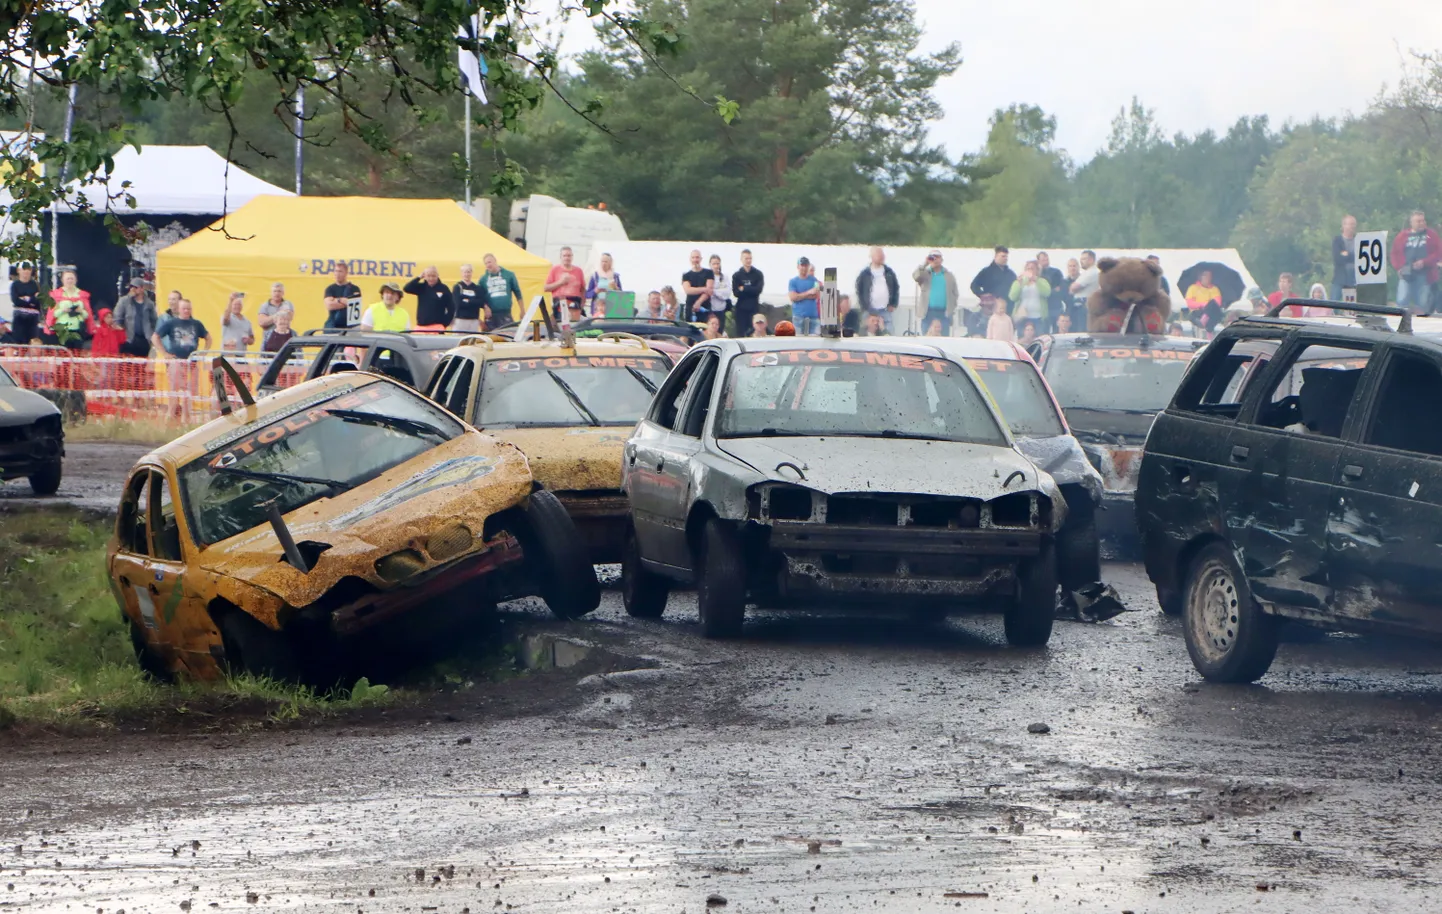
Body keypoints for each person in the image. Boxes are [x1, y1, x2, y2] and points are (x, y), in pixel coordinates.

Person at [1390, 210, 1442, 315]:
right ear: (1412, 223)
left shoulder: (1431, 235)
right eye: (1418, 221)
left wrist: (1424, 262)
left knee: (1422, 303)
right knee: (1402, 300)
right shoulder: (1402, 236)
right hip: (1406, 273)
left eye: (1423, 220)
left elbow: (1438, 253)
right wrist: (1398, 267)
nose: (1422, 223)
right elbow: (1394, 253)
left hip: (1425, 274)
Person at [43, 270, 94, 349]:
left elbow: (87, 315)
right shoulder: (57, 294)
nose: (70, 281)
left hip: (78, 329)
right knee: (64, 353)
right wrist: (63, 310)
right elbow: (53, 314)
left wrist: (81, 311)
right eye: (67, 278)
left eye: (72, 278)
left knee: (77, 353)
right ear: (63, 280)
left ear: (75, 280)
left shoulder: (82, 295)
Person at [856, 246, 900, 333]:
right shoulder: (865, 274)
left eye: (882, 254)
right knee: (867, 334)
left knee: (889, 333)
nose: (881, 257)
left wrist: (893, 304)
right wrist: (864, 306)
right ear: (872, 257)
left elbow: (896, 288)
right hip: (869, 310)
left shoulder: (889, 272)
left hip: (885, 310)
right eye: (879, 254)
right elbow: (859, 290)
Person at [914, 251, 958, 336]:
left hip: (944, 312)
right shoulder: (925, 273)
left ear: (941, 259)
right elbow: (916, 276)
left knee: (944, 338)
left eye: (937, 257)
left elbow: (955, 293)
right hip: (928, 312)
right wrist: (925, 264)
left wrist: (952, 307)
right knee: (927, 336)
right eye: (933, 257)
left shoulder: (949, 275)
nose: (935, 259)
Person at [969, 245, 1017, 322]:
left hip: (1007, 307)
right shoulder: (987, 271)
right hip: (991, 307)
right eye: (1003, 256)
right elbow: (974, 285)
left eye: (1006, 257)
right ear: (996, 256)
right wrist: (983, 295)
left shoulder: (1010, 273)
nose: (1005, 259)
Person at [113, 277, 157, 357]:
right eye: (131, 287)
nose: (132, 289)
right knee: (126, 366)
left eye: (135, 287)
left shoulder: (149, 304)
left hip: (144, 340)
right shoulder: (124, 301)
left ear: (142, 289)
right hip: (128, 339)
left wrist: (151, 336)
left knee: (141, 367)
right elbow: (117, 317)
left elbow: (154, 321)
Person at [481, 254, 523, 328]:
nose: (488, 265)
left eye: (489, 262)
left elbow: (517, 292)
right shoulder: (483, 279)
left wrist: (522, 310)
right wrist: (485, 307)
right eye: (486, 263)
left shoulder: (509, 275)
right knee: (491, 338)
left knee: (508, 336)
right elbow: (479, 296)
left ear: (495, 261)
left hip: (506, 314)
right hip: (491, 316)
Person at [732, 250, 765, 338]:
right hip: (741, 309)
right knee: (740, 334)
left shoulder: (758, 274)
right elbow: (736, 293)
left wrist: (744, 288)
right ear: (741, 259)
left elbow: (758, 290)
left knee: (754, 333)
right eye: (746, 258)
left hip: (754, 308)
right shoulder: (737, 275)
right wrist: (750, 289)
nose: (748, 261)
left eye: (750, 258)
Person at [1008, 260, 1051, 329]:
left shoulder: (1042, 281)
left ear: (1037, 270)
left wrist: (1036, 280)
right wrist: (1019, 284)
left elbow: (1047, 293)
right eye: (1028, 268)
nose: (1030, 270)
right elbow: (1012, 297)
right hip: (1022, 317)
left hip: (1038, 317)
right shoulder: (1019, 281)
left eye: (1032, 268)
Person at [8, 263, 40, 344]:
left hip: (33, 318)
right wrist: (31, 299)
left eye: (28, 269)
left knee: (32, 341)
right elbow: (16, 301)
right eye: (23, 269)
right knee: (18, 340)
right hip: (19, 317)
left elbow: (37, 301)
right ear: (19, 271)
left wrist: (25, 299)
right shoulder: (15, 285)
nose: (26, 272)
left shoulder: (35, 284)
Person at [787, 257, 821, 335]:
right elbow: (793, 297)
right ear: (798, 266)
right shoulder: (793, 281)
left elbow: (816, 295)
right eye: (802, 265)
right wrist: (808, 292)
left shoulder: (814, 280)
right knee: (798, 340)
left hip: (813, 317)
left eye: (806, 265)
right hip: (798, 316)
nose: (804, 268)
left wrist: (799, 296)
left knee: (815, 339)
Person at [322, 264, 361, 329]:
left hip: (351, 325)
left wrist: (335, 300)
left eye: (340, 271)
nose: (337, 274)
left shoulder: (354, 289)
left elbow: (354, 305)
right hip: (333, 324)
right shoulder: (330, 289)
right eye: (336, 271)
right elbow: (329, 305)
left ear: (346, 273)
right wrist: (343, 301)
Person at [680, 249, 715, 323]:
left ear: (701, 259)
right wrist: (704, 289)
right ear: (690, 259)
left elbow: (709, 290)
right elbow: (688, 290)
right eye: (693, 257)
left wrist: (699, 302)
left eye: (697, 257)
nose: (695, 260)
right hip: (690, 308)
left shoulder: (709, 272)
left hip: (705, 307)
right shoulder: (686, 275)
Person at [450, 264, 485, 332]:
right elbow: (458, 303)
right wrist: (473, 301)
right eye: (465, 272)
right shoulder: (457, 287)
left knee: (472, 341)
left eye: (468, 272)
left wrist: (467, 300)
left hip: (473, 320)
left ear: (472, 273)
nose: (467, 274)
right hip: (460, 320)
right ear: (462, 273)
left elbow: (480, 303)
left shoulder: (477, 288)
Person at [586, 253, 622, 318]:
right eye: (602, 261)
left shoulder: (615, 277)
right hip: (598, 309)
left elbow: (622, 295)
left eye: (606, 262)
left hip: (612, 308)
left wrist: (616, 288)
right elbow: (587, 294)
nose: (604, 264)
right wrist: (595, 291)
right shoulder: (595, 276)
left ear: (610, 263)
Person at [1037, 252, 1065, 331]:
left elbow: (1061, 289)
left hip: (1056, 307)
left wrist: (1049, 292)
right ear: (1038, 261)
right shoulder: (1036, 275)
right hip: (1042, 309)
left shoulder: (1056, 272)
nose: (1046, 261)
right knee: (1044, 331)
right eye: (1043, 260)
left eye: (1047, 259)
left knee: (1057, 330)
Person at [1332, 215, 1357, 301]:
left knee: (1352, 308)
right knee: (1334, 303)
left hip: (1354, 280)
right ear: (1343, 225)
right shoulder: (1337, 241)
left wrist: (1346, 254)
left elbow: (1359, 258)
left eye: (1353, 224)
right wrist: (1351, 255)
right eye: (1350, 224)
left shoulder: (1358, 240)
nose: (1352, 227)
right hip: (1340, 279)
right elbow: (1338, 259)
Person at [707, 254, 732, 325]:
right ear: (710, 264)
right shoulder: (707, 277)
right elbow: (707, 292)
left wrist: (714, 291)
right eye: (714, 264)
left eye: (717, 263)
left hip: (721, 310)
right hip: (710, 309)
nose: (716, 266)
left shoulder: (725, 277)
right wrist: (719, 292)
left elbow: (727, 294)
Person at [1060, 257, 1083, 328]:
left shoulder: (1084, 280)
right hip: (1070, 311)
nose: (1072, 268)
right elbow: (1064, 297)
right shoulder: (1064, 282)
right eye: (1070, 266)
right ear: (1067, 268)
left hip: (1083, 311)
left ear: (1078, 267)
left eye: (1074, 266)